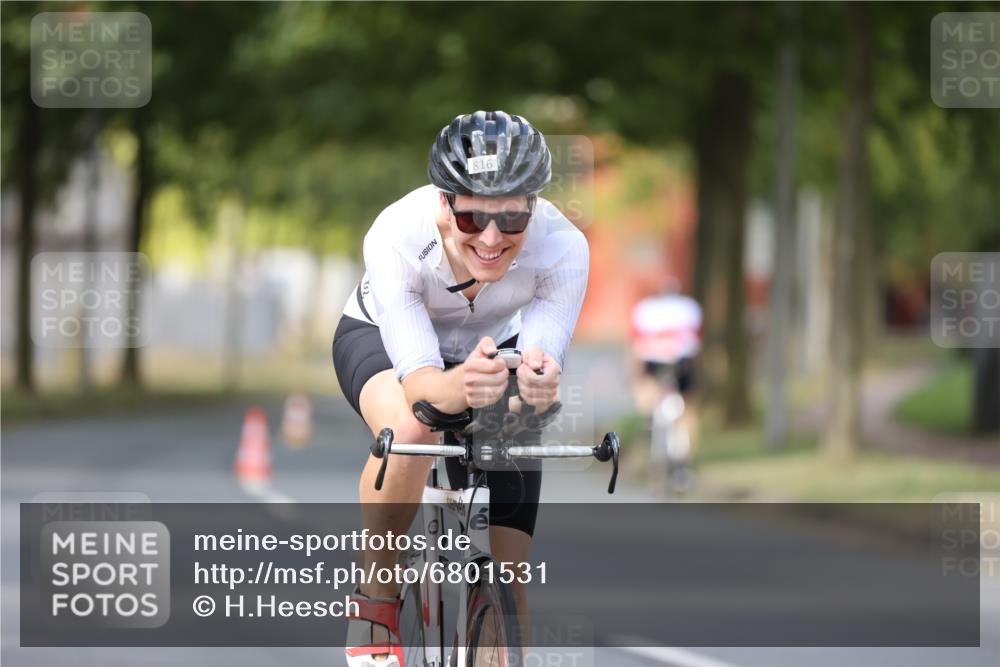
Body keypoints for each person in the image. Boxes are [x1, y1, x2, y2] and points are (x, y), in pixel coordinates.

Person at [332, 110, 589, 665]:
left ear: (535, 207)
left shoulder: (564, 248)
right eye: (472, 218)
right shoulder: (398, 234)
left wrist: (536, 392)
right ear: (444, 203)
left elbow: (538, 364)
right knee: (410, 425)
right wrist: (463, 386)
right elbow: (424, 387)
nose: (493, 239)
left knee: (514, 441)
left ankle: (495, 626)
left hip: (492, 351)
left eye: (513, 219)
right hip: (384, 340)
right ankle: (377, 593)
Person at [629, 278, 703, 482]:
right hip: (683, 363)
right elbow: (696, 343)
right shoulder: (690, 308)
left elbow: (635, 346)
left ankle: (648, 427)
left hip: (652, 362)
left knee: (646, 396)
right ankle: (686, 462)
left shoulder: (645, 309)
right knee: (688, 409)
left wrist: (634, 378)